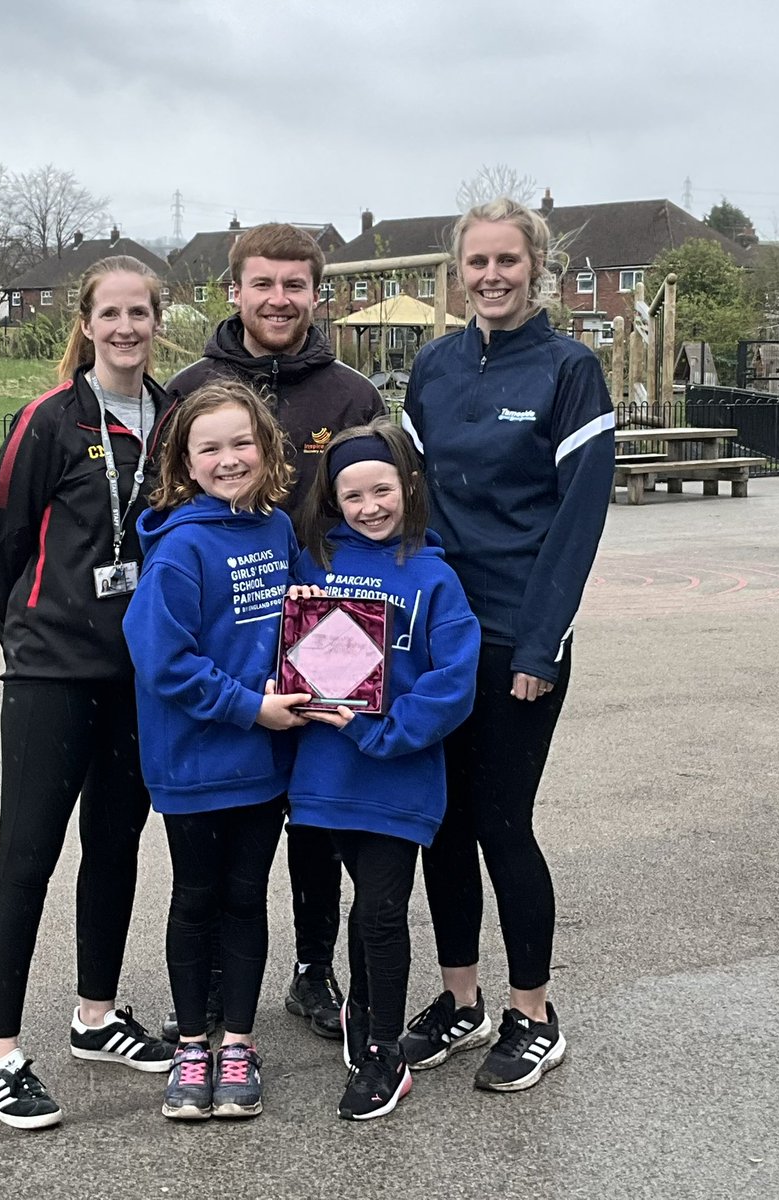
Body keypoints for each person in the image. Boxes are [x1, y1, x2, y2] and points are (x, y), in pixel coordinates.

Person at [399, 198, 615, 1092]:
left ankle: (533, 1012)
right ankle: (461, 999)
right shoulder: (433, 369)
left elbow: (577, 520)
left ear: (537, 269)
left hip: (518, 640)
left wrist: (538, 647)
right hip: (439, 637)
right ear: (459, 274)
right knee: (440, 826)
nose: (491, 277)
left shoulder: (569, 372)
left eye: (507, 262)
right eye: (476, 264)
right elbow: (407, 504)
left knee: (500, 823)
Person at [165, 222, 385, 1041]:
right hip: (230, 646)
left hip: (326, 640)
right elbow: (165, 507)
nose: (278, 299)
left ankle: (310, 968)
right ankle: (213, 1001)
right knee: (227, 839)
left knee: (318, 819)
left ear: (316, 294)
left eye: (295, 285)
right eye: (263, 283)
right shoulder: (189, 386)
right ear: (235, 291)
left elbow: (374, 501)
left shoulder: (350, 393)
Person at [0, 255, 177, 1131]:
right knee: (26, 854)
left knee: (115, 845)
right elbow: (3, 547)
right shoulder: (49, 420)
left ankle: (96, 1015)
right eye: (111, 313)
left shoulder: (173, 420)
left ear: (156, 321)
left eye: (140, 312)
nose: (126, 327)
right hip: (53, 672)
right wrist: (30, 632)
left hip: (138, 678)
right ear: (87, 323)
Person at [122, 378, 311, 1120]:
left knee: (245, 899)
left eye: (243, 443)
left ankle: (239, 1042)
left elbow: (304, 618)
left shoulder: (277, 531)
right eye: (211, 448)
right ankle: (192, 1044)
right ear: (185, 462)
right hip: (197, 762)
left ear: (266, 450)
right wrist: (249, 708)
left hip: (264, 761)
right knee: (197, 900)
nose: (229, 458)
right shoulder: (178, 550)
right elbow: (163, 662)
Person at [288, 421, 479, 1120]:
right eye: (351, 494)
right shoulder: (314, 567)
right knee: (360, 899)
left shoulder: (436, 578)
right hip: (325, 773)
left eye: (381, 489)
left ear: (407, 488)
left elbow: (454, 681)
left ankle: (383, 1054)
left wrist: (388, 732)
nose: (369, 506)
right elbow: (291, 649)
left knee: (380, 907)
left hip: (398, 774)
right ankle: (363, 1009)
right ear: (332, 500)